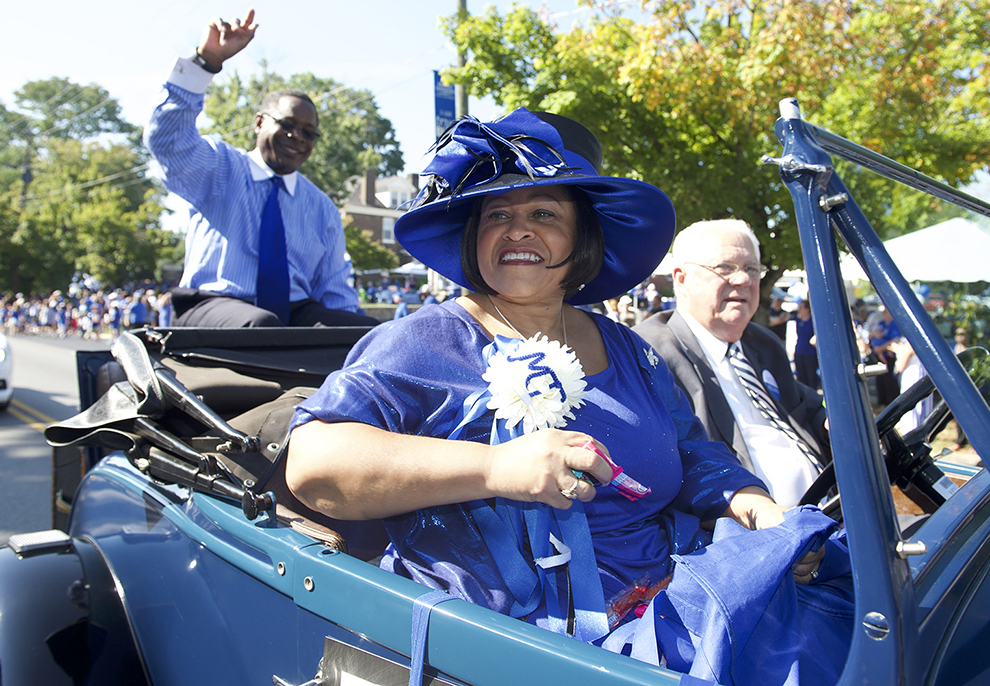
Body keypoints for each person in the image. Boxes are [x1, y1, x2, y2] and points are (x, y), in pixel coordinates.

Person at [286, 110, 845, 680]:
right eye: (496, 214)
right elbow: (314, 464)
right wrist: (494, 466)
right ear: (471, 239)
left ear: (582, 239)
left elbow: (694, 452)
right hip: (508, 650)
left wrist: (753, 504)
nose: (518, 228)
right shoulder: (418, 342)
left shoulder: (630, 350)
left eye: (544, 213)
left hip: (676, 615)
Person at [145, 8, 377, 329]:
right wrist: (205, 63)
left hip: (293, 311)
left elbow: (335, 290)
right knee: (262, 325)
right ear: (259, 122)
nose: (297, 137)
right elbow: (166, 140)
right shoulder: (219, 167)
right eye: (287, 125)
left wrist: (358, 339)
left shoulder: (320, 207)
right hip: (212, 304)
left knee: (363, 333)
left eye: (308, 133)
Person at [635, 220, 830, 505]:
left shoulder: (763, 344)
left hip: (833, 511)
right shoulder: (649, 355)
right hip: (747, 532)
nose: (743, 280)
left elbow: (807, 408)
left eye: (751, 269)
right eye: (725, 267)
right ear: (681, 278)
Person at [793, 298, 820, 390]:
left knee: (811, 376)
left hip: (810, 352)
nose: (799, 310)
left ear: (807, 309)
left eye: (801, 308)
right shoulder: (798, 321)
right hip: (799, 351)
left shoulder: (813, 321)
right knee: (801, 376)